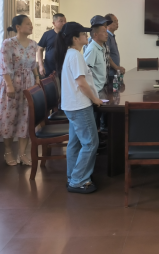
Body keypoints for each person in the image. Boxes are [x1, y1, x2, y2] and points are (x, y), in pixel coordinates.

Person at [55, 22, 104, 194]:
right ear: (75, 38)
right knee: (91, 142)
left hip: (72, 105)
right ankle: (79, 181)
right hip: (80, 105)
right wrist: (95, 99)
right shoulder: (75, 55)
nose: (87, 36)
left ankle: (73, 176)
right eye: (84, 34)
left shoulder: (71, 54)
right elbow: (81, 83)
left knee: (75, 143)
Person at [0, 15, 40, 166]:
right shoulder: (8, 43)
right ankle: (8, 151)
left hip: (28, 84)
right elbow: (4, 66)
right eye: (28, 24)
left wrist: (37, 77)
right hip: (11, 83)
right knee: (9, 117)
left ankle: (22, 154)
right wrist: (9, 85)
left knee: (26, 118)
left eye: (31, 24)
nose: (31, 26)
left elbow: (33, 65)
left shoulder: (33, 44)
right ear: (18, 27)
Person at [37, 13, 66, 78]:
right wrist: (41, 66)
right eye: (61, 21)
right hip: (49, 69)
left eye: (65, 21)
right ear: (54, 23)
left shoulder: (67, 35)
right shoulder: (47, 34)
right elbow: (40, 49)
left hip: (64, 69)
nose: (64, 23)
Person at [105, 13, 126, 79]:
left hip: (114, 72)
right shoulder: (107, 36)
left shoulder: (111, 36)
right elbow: (106, 55)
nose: (117, 23)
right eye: (115, 21)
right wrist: (116, 67)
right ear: (108, 23)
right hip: (110, 74)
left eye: (117, 21)